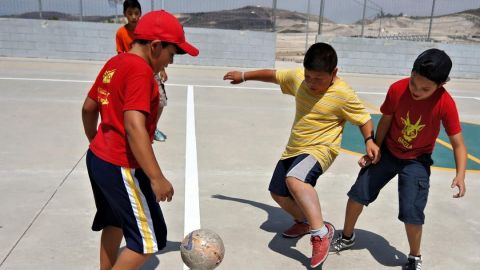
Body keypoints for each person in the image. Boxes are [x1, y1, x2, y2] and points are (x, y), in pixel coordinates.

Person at [223, 42, 380, 268]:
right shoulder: (299, 78)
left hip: (322, 148)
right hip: (295, 147)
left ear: (334, 73)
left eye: (319, 79)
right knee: (278, 193)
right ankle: (305, 222)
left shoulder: (343, 94)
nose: (312, 83)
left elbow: (364, 118)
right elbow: (274, 75)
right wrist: (244, 75)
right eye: (309, 77)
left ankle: (320, 232)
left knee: (295, 180)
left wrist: (369, 140)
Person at [82, 10, 198, 269]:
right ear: (156, 46)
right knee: (150, 240)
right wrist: (156, 177)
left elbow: (89, 108)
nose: (171, 62)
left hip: (98, 159)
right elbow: (134, 126)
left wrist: (98, 143)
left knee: (115, 222)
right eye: (171, 54)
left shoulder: (115, 62)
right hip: (121, 165)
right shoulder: (141, 72)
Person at [332, 49, 467, 270]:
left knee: (412, 211)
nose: (416, 90)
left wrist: (460, 175)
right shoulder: (397, 89)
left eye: (425, 89)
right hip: (388, 150)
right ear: (411, 73)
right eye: (414, 83)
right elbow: (386, 120)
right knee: (358, 194)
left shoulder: (445, 103)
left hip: (417, 160)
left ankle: (414, 257)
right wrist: (374, 147)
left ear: (441, 85)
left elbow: (458, 143)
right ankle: (347, 237)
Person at [116, 0, 169, 142]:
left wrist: (162, 69)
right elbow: (121, 54)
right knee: (132, 103)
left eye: (136, 13)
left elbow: (157, 51)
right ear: (124, 14)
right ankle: (131, 130)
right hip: (131, 74)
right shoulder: (121, 33)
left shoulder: (146, 31)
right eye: (130, 13)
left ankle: (152, 128)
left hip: (150, 72)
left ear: (140, 14)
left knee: (160, 100)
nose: (133, 16)